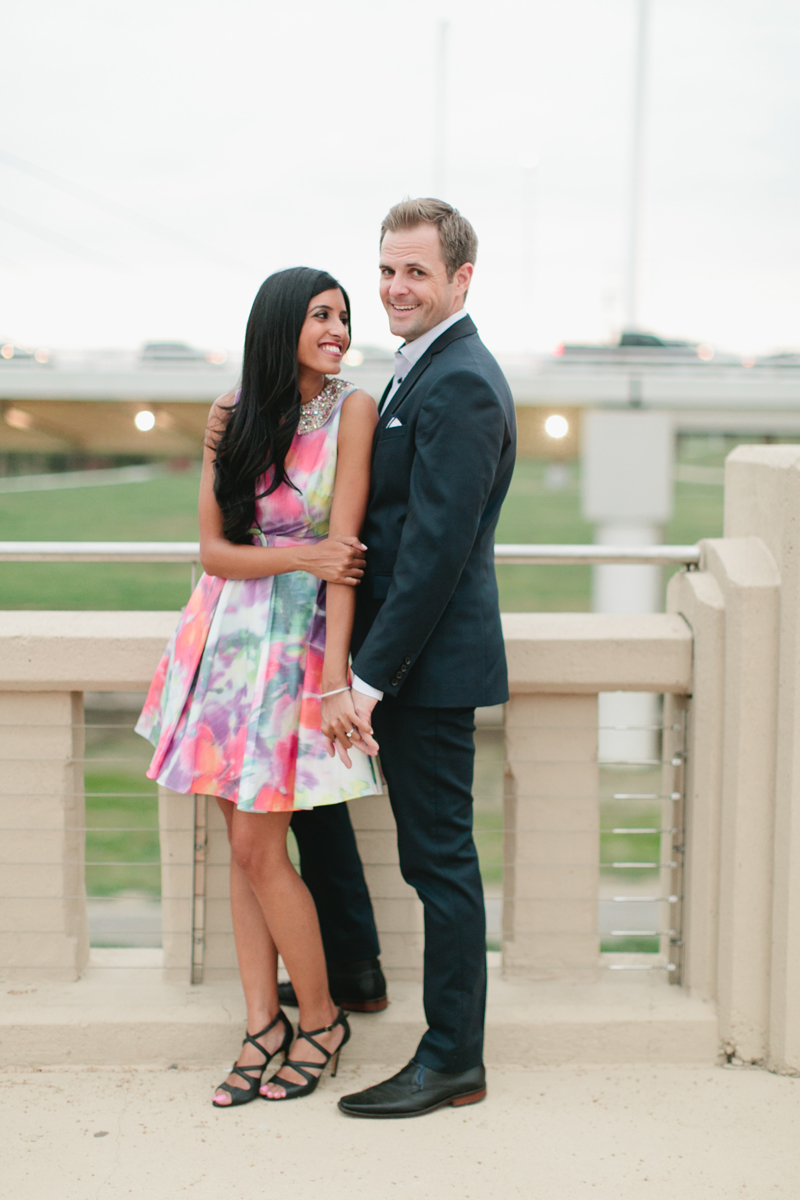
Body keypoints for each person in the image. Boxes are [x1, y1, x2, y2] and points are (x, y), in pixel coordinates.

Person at [288, 198, 517, 1117]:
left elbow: (434, 551)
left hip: (419, 675)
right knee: (324, 815)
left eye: (416, 271)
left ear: (462, 278)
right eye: (387, 269)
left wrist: (368, 682)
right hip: (389, 667)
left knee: (440, 867)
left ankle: (454, 1057)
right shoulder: (420, 367)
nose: (394, 288)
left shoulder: (461, 379)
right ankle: (360, 979)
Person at [135, 267, 385, 1107]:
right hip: (222, 645)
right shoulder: (234, 412)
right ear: (282, 323)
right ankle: (260, 1024)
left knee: (255, 849)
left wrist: (335, 676)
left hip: (294, 653)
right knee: (246, 854)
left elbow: (343, 558)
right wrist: (298, 555)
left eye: (343, 317)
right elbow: (214, 551)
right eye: (321, 315)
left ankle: (319, 1019)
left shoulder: (354, 410)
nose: (339, 329)